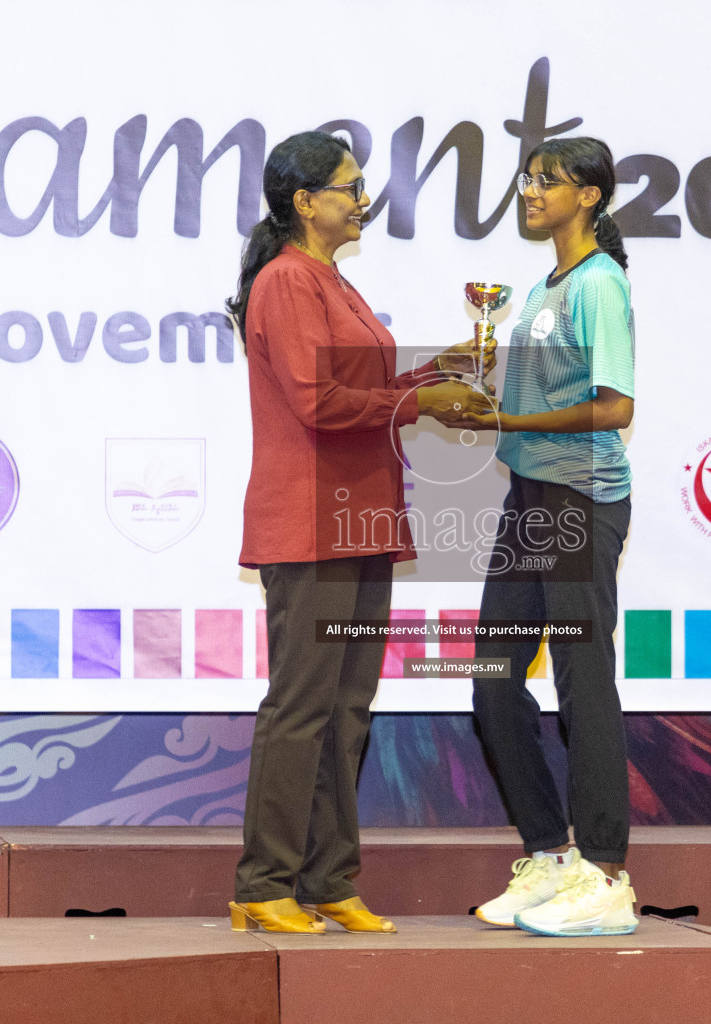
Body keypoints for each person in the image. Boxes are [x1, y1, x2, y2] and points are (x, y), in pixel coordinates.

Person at [226, 131, 476, 934]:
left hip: (359, 520)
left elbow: (364, 390)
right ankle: (262, 884)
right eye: (350, 186)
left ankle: (328, 878)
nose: (364, 198)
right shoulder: (288, 281)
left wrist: (438, 373)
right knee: (301, 709)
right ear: (305, 202)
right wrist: (419, 405)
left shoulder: (331, 280)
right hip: (309, 525)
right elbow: (319, 405)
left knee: (348, 709)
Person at [455, 137, 639, 937]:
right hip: (532, 495)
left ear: (590, 196)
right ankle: (550, 855)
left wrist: (509, 415)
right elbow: (527, 390)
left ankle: (605, 873)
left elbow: (614, 406)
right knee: (493, 680)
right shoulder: (539, 287)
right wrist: (475, 378)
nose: (530, 192)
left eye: (549, 181)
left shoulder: (600, 284)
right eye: (528, 179)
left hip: (581, 498)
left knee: (580, 679)